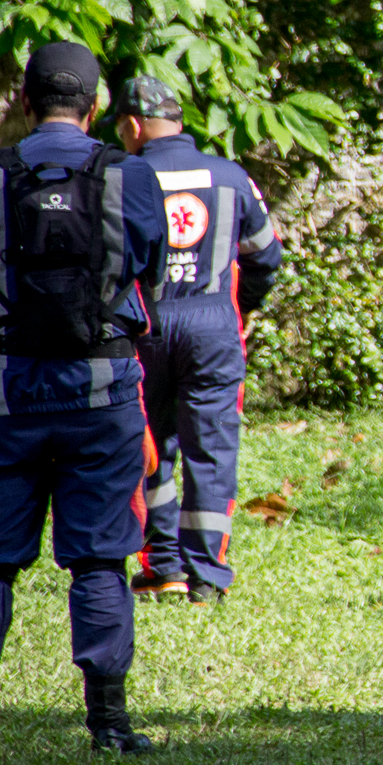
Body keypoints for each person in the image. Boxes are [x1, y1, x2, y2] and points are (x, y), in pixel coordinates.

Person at [0, 42, 167, 753]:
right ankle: (110, 725)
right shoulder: (132, 176)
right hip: (103, 392)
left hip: (5, 392)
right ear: (95, 109)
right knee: (99, 558)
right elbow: (147, 267)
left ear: (25, 103)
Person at [113, 77, 285, 605]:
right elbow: (267, 256)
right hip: (214, 325)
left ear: (133, 125)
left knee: (148, 447)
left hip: (145, 323)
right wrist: (245, 306)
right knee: (211, 449)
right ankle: (207, 576)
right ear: (180, 121)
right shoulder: (230, 176)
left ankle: (161, 566)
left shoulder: (121, 175)